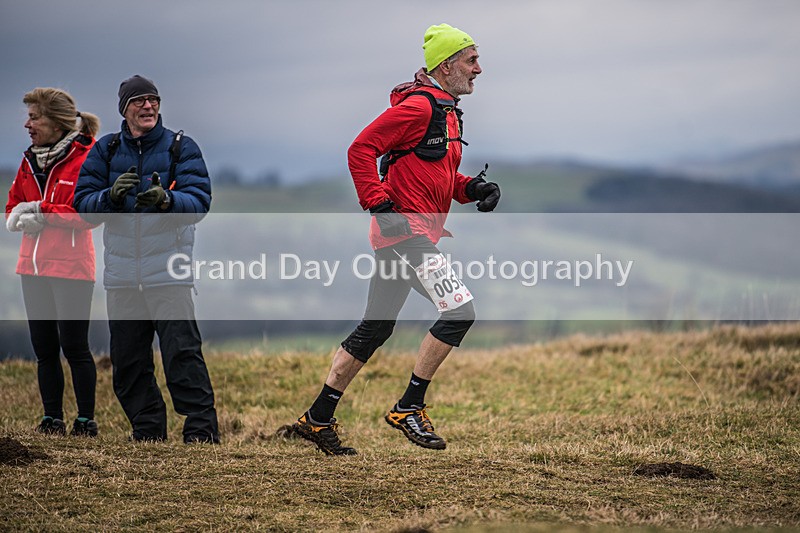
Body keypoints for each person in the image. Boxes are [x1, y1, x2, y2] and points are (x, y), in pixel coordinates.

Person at [291, 23, 500, 455]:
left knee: (375, 328)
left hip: (409, 235)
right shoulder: (420, 108)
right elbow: (360, 149)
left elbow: (432, 174)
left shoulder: (446, 110)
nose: (479, 69)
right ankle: (409, 406)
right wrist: (381, 207)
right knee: (460, 311)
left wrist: (470, 189)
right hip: (404, 235)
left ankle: (317, 419)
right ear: (446, 66)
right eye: (471, 60)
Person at [73, 75, 219, 444]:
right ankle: (148, 430)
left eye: (153, 99)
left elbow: (199, 202)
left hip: (169, 273)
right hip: (123, 277)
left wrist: (167, 201)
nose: (148, 106)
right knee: (128, 363)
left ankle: (201, 432)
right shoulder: (105, 150)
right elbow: (83, 207)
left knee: (182, 355)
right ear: (124, 109)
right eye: (139, 101)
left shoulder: (180, 148)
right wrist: (110, 197)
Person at [5, 88, 101, 437]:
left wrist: (43, 213)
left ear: (56, 122)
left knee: (74, 347)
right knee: (44, 348)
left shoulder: (87, 158)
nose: (27, 124)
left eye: (35, 117)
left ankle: (86, 420)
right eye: (29, 116)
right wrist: (19, 217)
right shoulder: (28, 160)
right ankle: (52, 418)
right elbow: (13, 203)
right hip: (31, 268)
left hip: (72, 267)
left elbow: (89, 214)